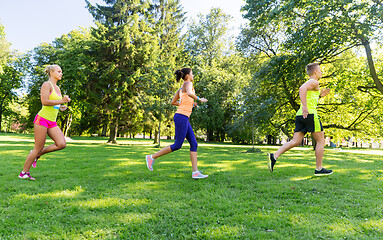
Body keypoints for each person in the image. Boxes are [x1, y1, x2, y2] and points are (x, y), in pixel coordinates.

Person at [267, 63, 333, 176]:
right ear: (315, 72)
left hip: (300, 115)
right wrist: (306, 107)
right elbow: (302, 88)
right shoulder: (314, 81)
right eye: (320, 70)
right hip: (310, 114)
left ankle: (274, 156)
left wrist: (320, 95)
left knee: (296, 141)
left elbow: (309, 95)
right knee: (321, 140)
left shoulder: (314, 84)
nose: (322, 72)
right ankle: (319, 169)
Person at [146, 68, 209, 179]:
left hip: (183, 117)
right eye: (192, 73)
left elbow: (173, 102)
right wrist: (199, 99)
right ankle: (151, 157)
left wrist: (189, 103)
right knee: (177, 145)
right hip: (181, 117)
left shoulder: (180, 89)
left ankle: (195, 172)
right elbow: (189, 93)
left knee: (194, 144)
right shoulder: (188, 83)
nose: (193, 75)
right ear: (188, 75)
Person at [19, 65, 71, 180]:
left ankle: (37, 155)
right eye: (59, 71)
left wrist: (60, 106)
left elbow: (54, 104)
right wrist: (62, 100)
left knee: (61, 144)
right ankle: (24, 173)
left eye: (61, 71)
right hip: (42, 119)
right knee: (38, 147)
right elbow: (45, 101)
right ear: (51, 73)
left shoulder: (57, 88)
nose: (61, 73)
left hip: (52, 121)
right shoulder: (46, 85)